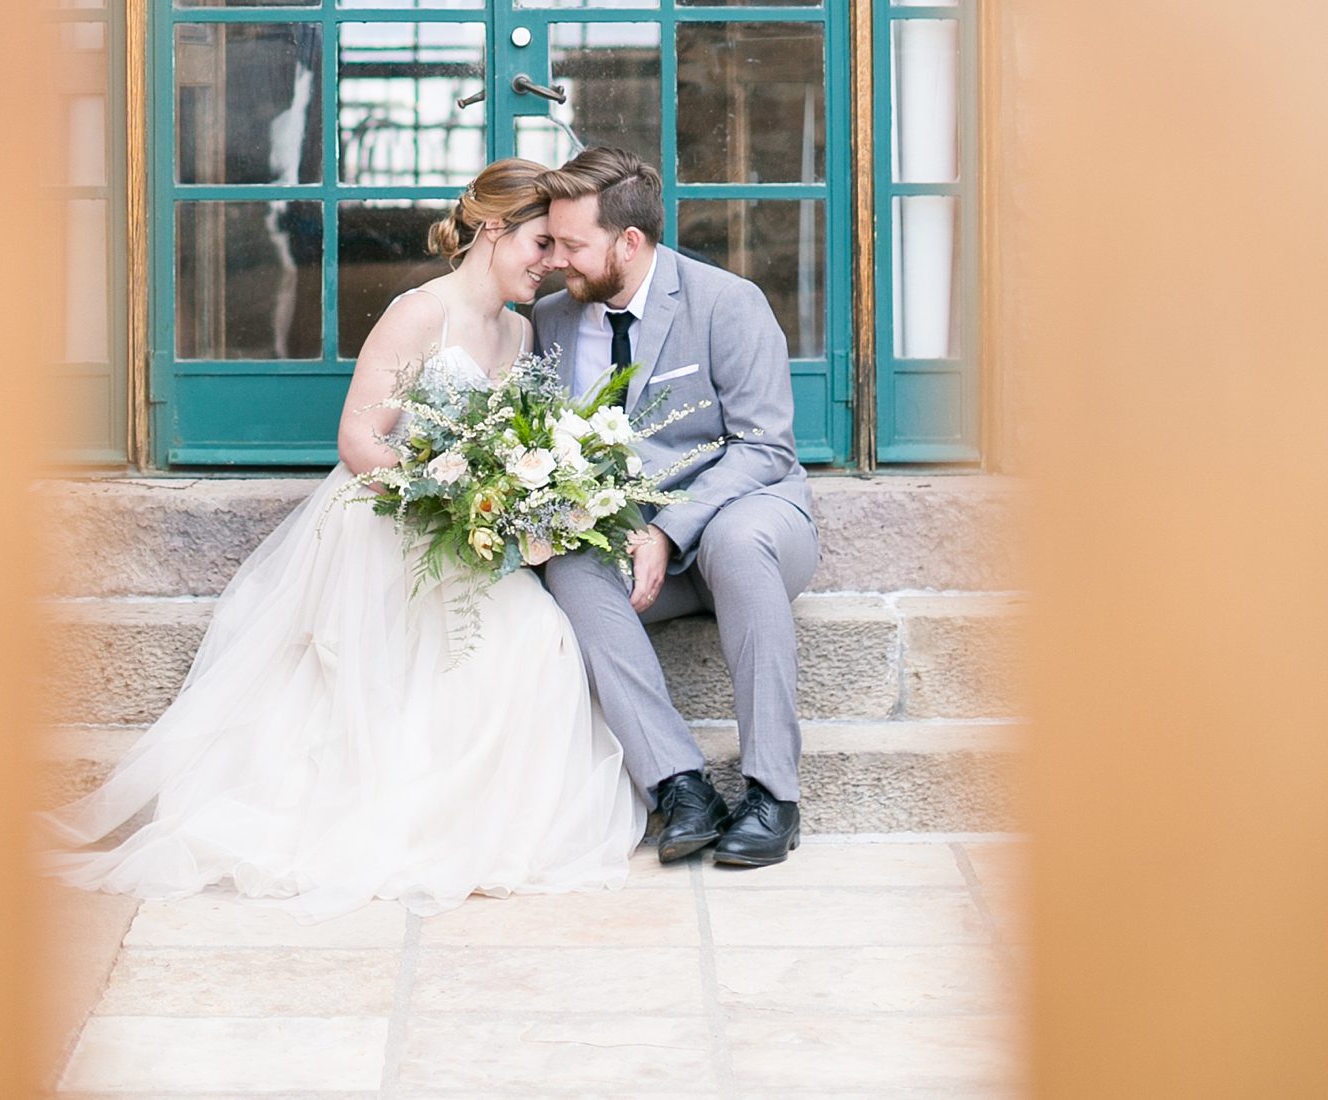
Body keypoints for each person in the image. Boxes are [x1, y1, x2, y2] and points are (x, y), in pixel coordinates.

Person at [46, 159, 641, 915]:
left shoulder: (521, 331)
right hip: (389, 521)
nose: (553, 263)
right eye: (540, 245)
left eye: (560, 248)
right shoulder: (421, 314)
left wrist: (504, 504)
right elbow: (359, 439)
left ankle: (485, 827)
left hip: (467, 532)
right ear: (493, 231)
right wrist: (447, 495)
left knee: (540, 640)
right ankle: (405, 822)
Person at [534, 146, 817, 871]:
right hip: (630, 545)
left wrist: (668, 528)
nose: (557, 260)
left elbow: (765, 448)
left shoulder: (728, 302)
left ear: (629, 242)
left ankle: (773, 795)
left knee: (739, 541)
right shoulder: (552, 320)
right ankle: (680, 785)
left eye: (573, 245)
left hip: (746, 512)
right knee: (567, 565)